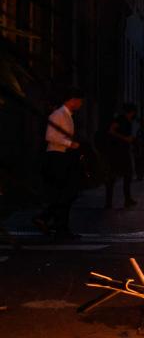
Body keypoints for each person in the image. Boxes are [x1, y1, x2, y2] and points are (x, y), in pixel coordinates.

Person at [35, 87, 86, 240]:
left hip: (63, 156)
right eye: (80, 101)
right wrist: (70, 144)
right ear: (73, 100)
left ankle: (57, 225)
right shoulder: (58, 114)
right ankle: (52, 222)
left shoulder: (67, 115)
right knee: (65, 193)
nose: (81, 105)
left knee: (66, 193)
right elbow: (50, 136)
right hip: (57, 157)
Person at [103, 102, 139, 209]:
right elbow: (111, 131)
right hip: (116, 152)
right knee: (112, 177)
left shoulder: (128, 121)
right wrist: (125, 138)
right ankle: (108, 202)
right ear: (131, 112)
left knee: (127, 175)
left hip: (124, 151)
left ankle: (127, 200)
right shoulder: (120, 119)